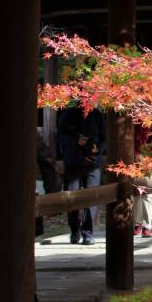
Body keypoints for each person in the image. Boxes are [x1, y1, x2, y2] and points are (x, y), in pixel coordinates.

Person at [56, 104, 105, 245]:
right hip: (73, 162)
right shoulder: (69, 114)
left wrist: (98, 148)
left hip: (93, 163)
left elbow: (104, 139)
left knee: (92, 198)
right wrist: (75, 140)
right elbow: (60, 136)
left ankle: (88, 233)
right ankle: (74, 230)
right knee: (71, 198)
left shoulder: (97, 114)